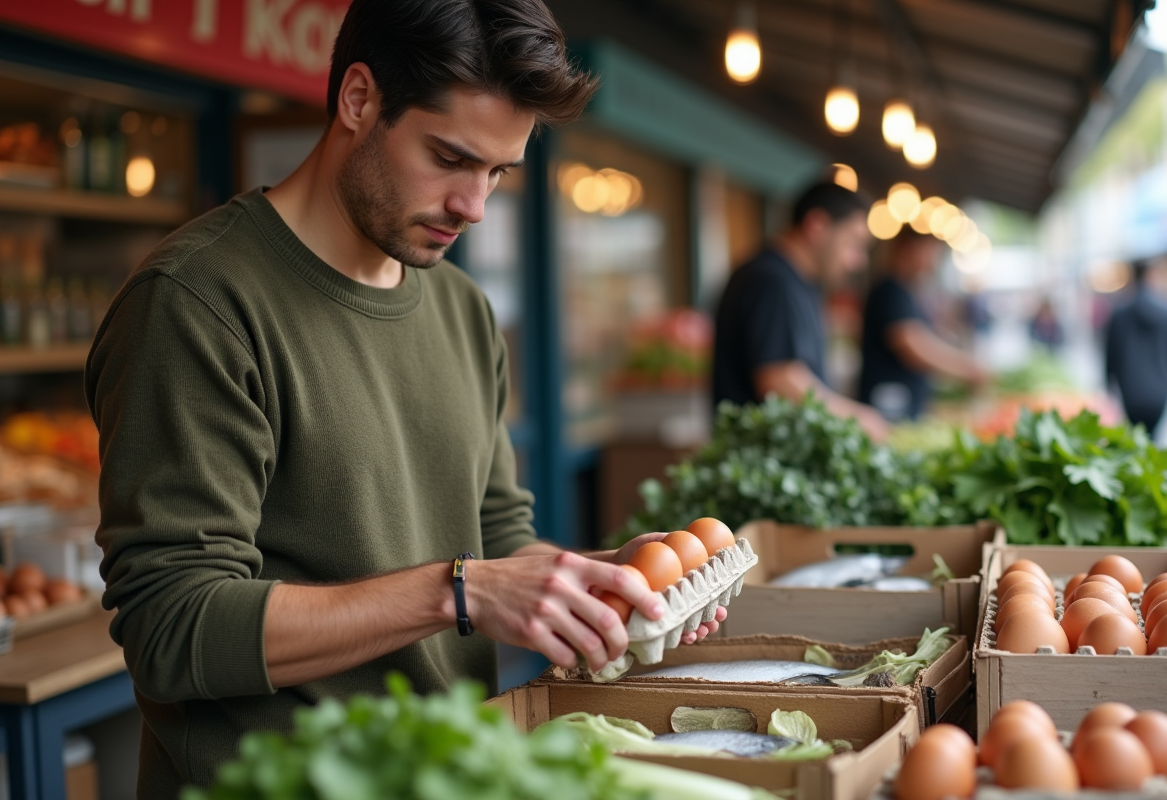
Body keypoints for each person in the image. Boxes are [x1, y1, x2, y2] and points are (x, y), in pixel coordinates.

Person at [86, 1, 721, 795]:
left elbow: (495, 535)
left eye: (497, 172)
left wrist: (588, 580)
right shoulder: (197, 302)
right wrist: (459, 591)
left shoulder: (462, 308)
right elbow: (173, 628)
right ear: (359, 100)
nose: (475, 205)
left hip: (445, 773)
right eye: (450, 157)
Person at [712, 182, 888, 439]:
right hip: (760, 463)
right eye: (853, 243)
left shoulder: (799, 283)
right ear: (817, 225)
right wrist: (858, 418)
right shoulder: (769, 280)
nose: (858, 261)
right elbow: (779, 380)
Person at [858, 227, 987, 421]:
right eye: (929, 251)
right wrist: (966, 368)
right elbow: (911, 344)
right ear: (909, 249)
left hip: (904, 404)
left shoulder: (906, 291)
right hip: (890, 406)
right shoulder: (891, 291)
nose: (932, 261)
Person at [1105, 259, 1167, 436]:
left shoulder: (1118, 315)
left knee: (1137, 438)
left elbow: (1110, 355)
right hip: (1160, 393)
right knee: (1152, 442)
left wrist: (1107, 388)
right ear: (1152, 276)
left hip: (1129, 392)